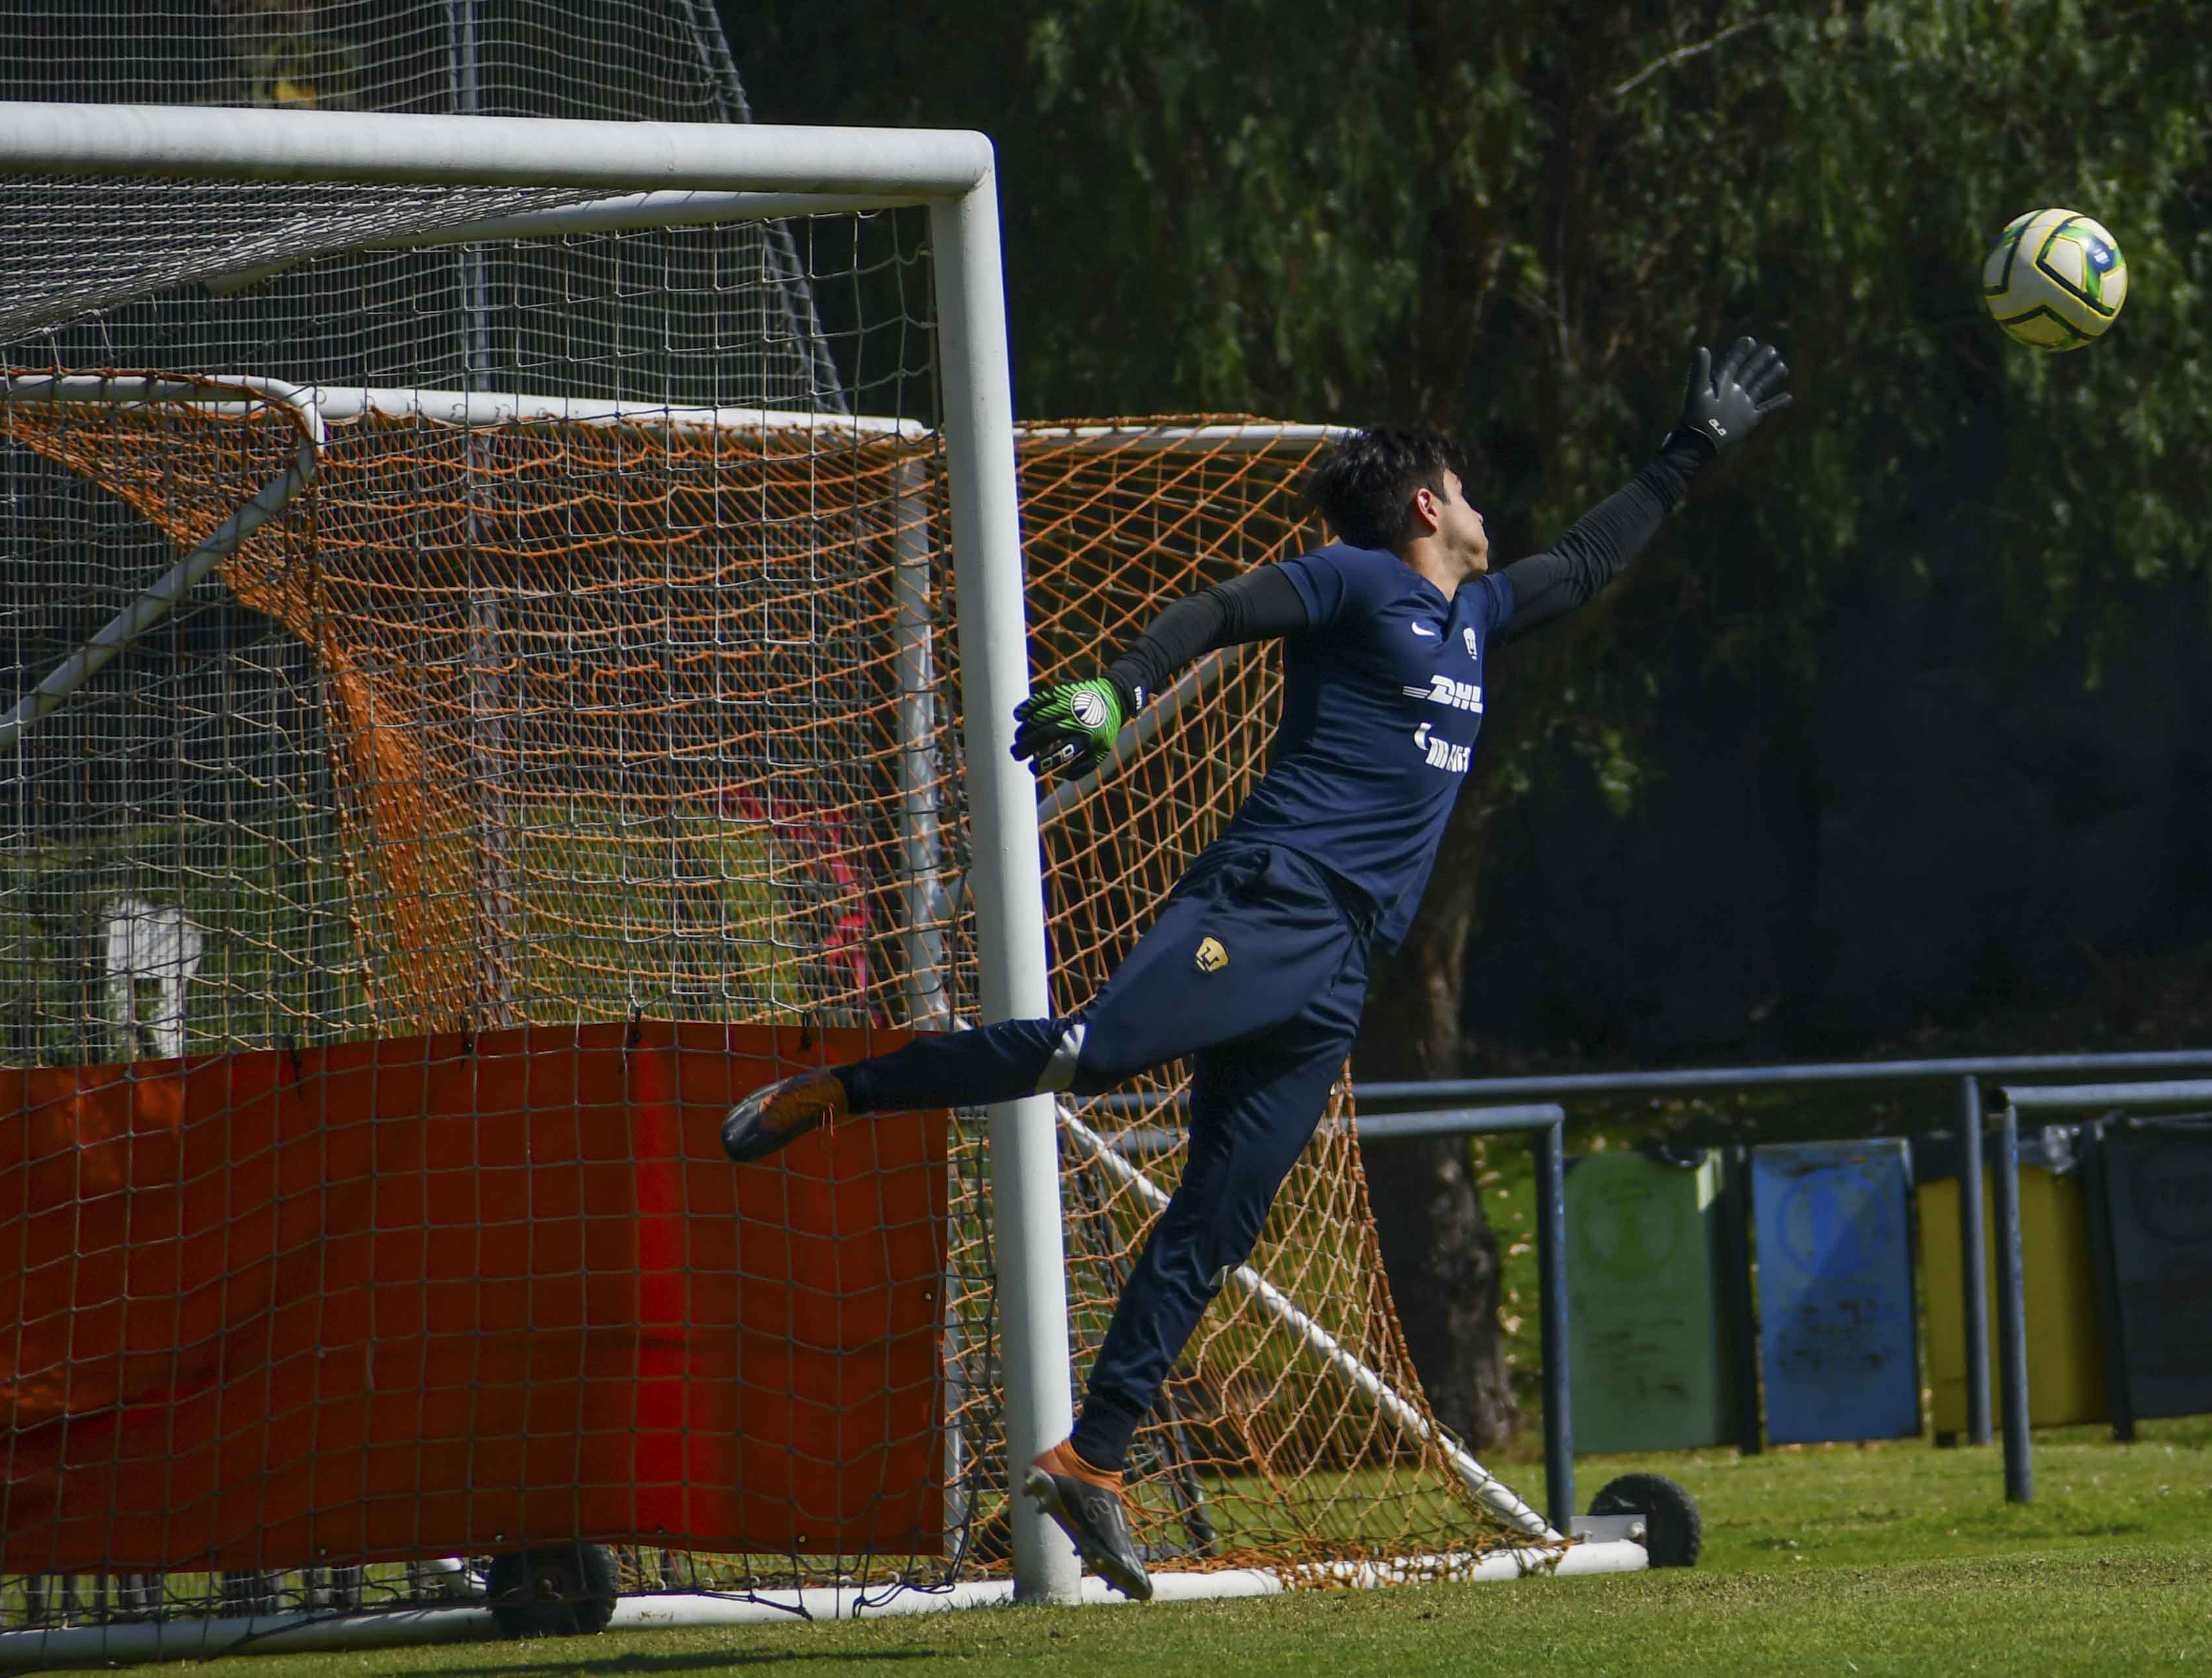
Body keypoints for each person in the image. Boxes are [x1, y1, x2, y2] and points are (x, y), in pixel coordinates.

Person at [720, 336, 1792, 1599]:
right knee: (1090, 1053)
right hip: (1274, 901)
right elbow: (1221, 613)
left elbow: (1590, 561)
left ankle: (1093, 1457)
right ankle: (845, 1091)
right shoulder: (1357, 580)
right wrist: (1120, 692)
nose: (1485, 510)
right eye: (1466, 489)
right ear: (1428, 507)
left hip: (1341, 967)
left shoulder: (1477, 617)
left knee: (1222, 1217)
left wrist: (1690, 452)